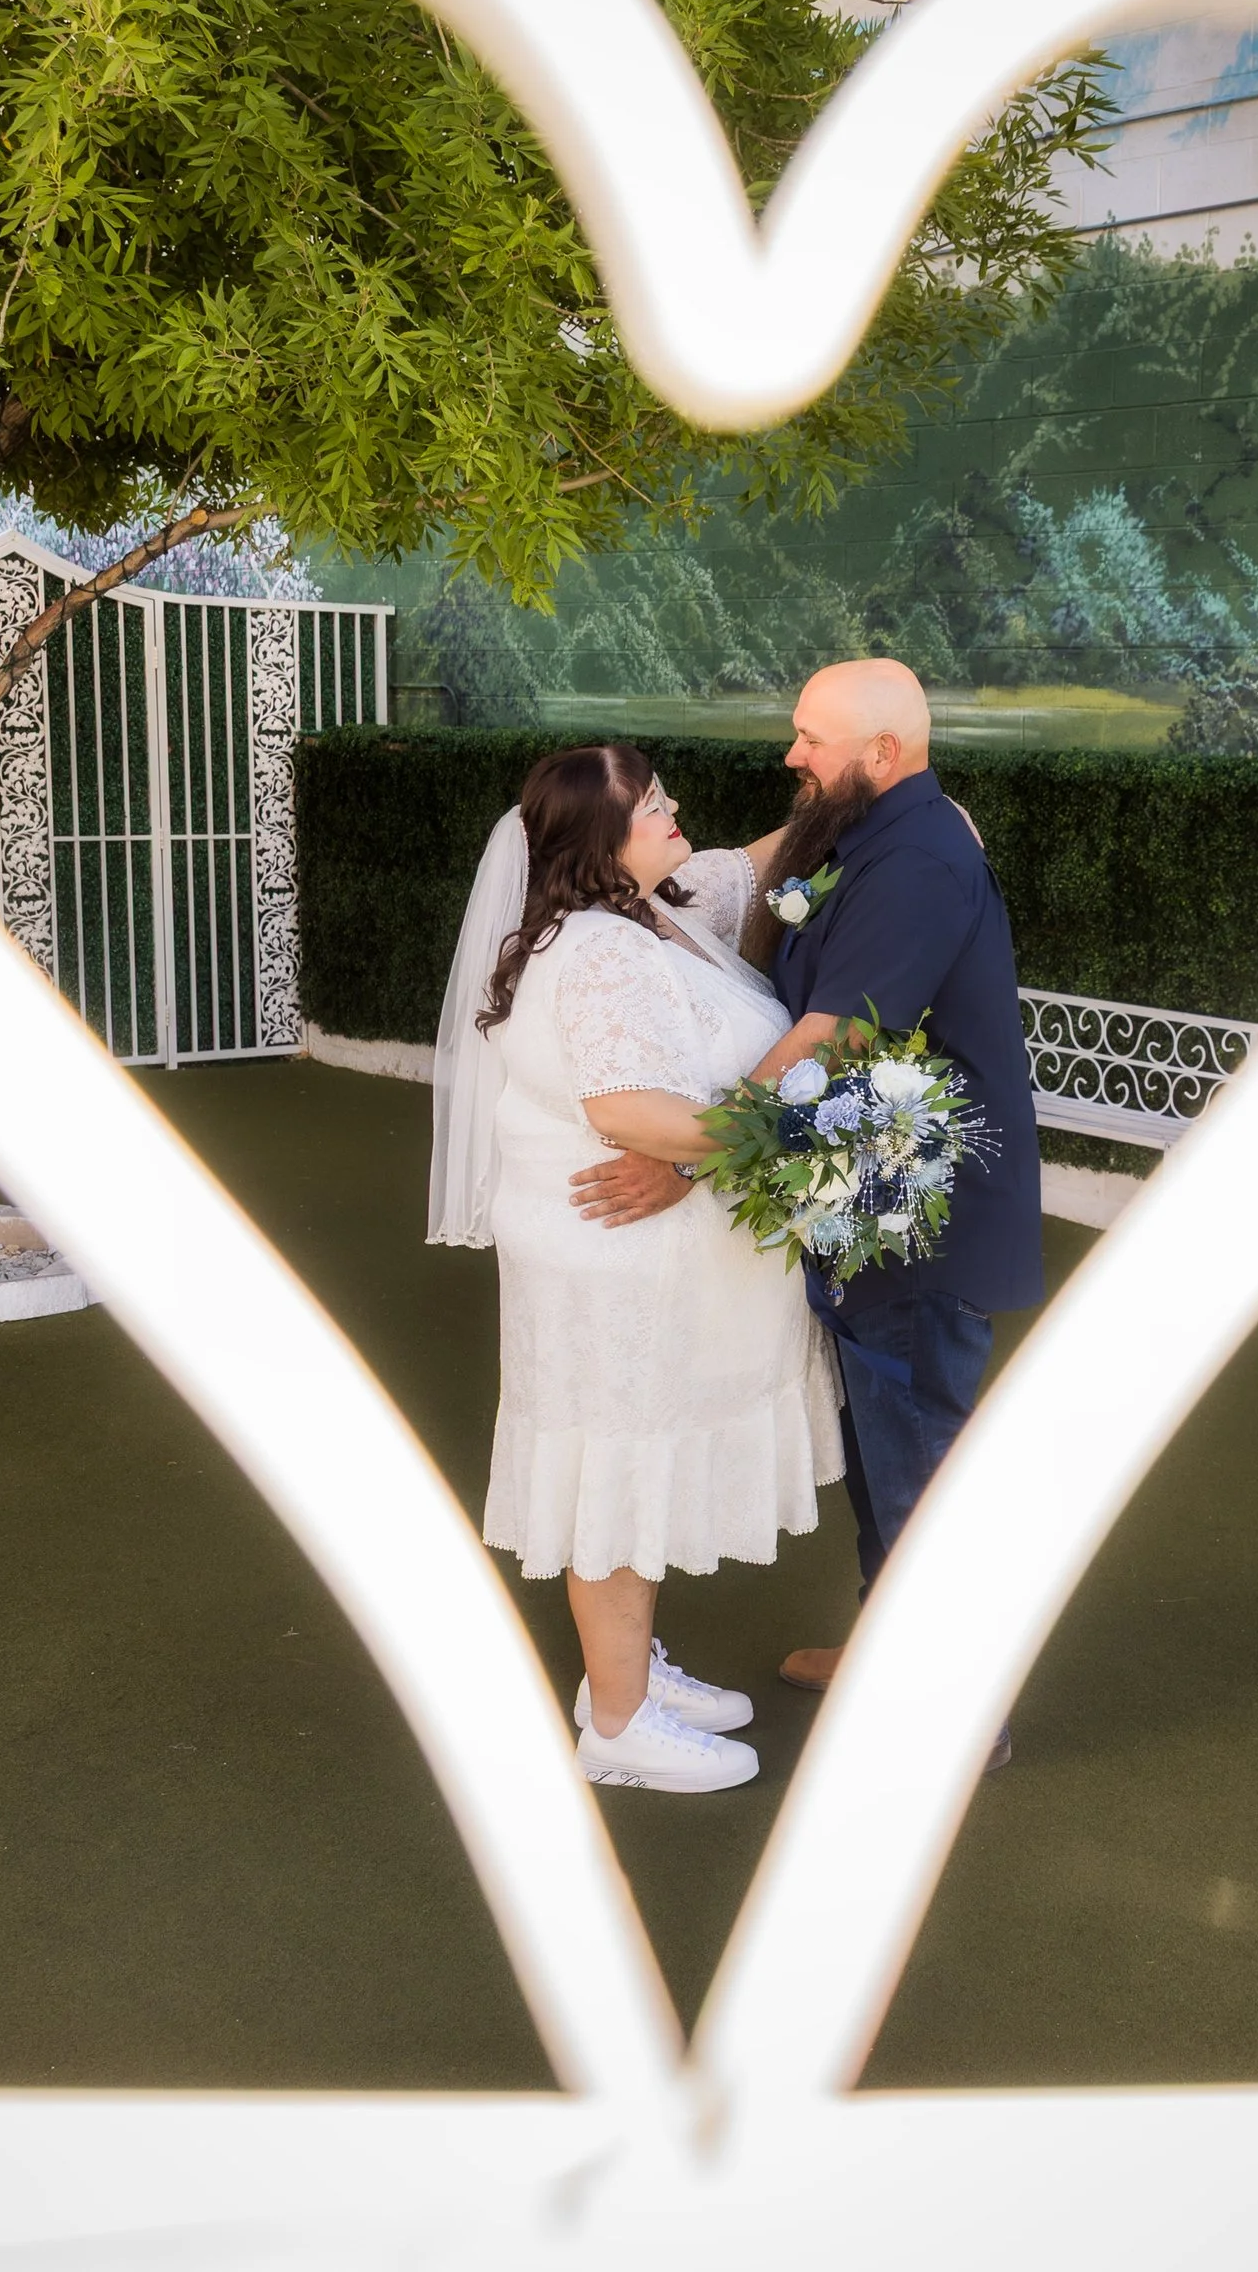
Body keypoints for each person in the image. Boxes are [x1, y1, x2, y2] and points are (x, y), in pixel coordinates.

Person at [571, 662, 1042, 1766]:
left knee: (921, 1454)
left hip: (924, 1206)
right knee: (883, 1445)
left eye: (812, 740)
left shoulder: (918, 859)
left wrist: (690, 1166)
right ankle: (888, 1645)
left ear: (881, 755)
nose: (793, 756)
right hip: (860, 1194)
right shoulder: (858, 834)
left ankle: (955, 1709)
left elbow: (829, 1041)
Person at [428, 742, 841, 1794]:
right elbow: (629, 1112)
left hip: (615, 1259)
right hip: (612, 1263)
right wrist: (792, 1129)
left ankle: (626, 1678)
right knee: (615, 1471)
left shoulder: (652, 915)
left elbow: (746, 863)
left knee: (630, 1463)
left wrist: (857, 793)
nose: (673, 810)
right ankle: (616, 1724)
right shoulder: (604, 950)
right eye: (653, 803)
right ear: (600, 839)